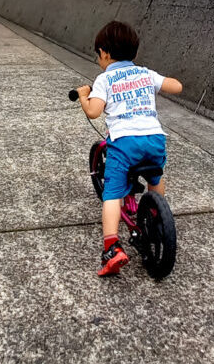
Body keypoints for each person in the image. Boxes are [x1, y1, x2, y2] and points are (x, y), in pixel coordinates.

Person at [76, 20, 183, 276]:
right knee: (155, 176)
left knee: (111, 194)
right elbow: (176, 86)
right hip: (154, 139)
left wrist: (83, 95)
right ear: (133, 52)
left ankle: (111, 247)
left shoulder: (104, 79)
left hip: (125, 143)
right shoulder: (145, 73)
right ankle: (158, 211)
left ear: (104, 53)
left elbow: (93, 111)